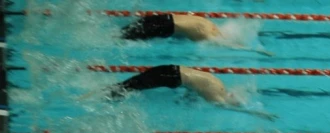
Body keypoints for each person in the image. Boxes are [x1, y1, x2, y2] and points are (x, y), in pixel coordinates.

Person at [106, 64, 275, 119]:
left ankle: (105, 94)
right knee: (126, 89)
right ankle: (103, 97)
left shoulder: (220, 85)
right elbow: (223, 107)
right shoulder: (216, 96)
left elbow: (194, 88)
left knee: (128, 86)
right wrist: (259, 114)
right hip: (170, 76)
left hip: (170, 70)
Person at [120, 12, 272, 55]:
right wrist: (253, 50)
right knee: (121, 40)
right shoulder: (207, 35)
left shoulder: (208, 23)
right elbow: (226, 44)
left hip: (163, 17)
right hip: (165, 26)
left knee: (122, 33)